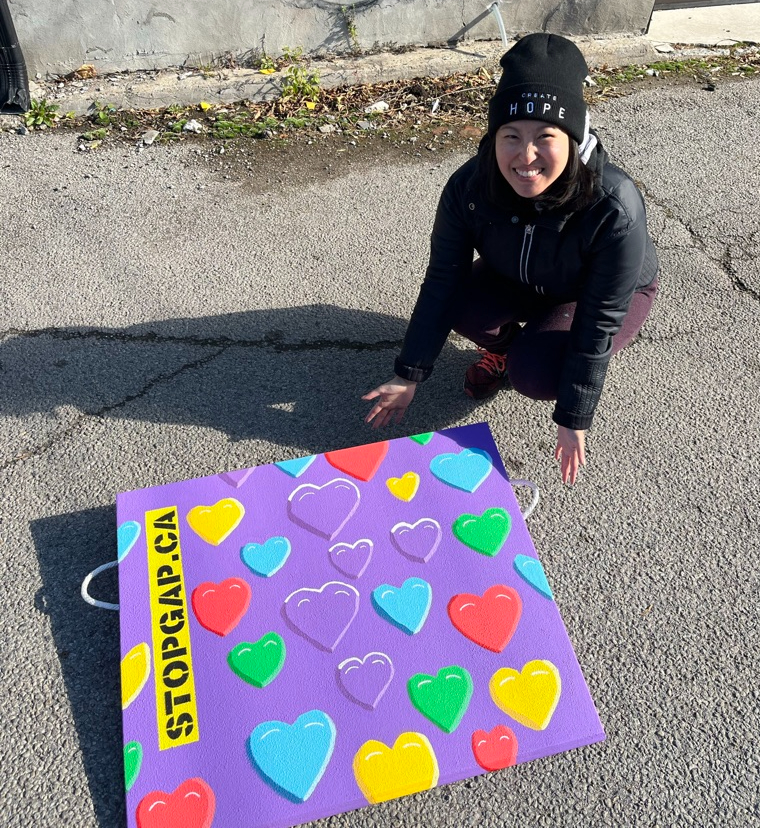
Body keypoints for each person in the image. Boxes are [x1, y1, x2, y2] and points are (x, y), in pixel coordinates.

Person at [363, 33, 658, 485]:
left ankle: (536, 347)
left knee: (537, 374)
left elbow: (599, 319)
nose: (526, 156)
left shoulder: (613, 204)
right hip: (520, 277)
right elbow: (443, 278)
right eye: (511, 135)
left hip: (591, 295)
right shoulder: (468, 188)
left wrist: (575, 414)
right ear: (493, 135)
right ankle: (504, 351)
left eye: (546, 136)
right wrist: (409, 373)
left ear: (574, 138)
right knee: (460, 302)